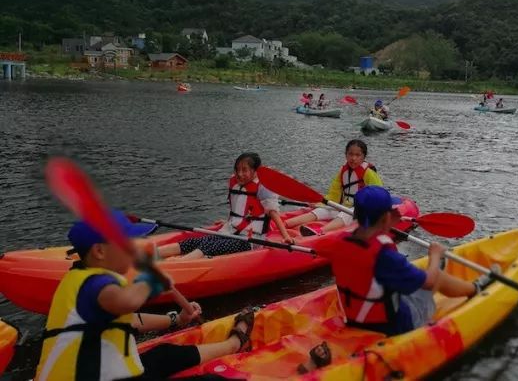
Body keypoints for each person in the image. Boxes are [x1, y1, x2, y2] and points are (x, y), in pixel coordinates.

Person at [35, 210, 255, 381]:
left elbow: (132, 320)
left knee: (163, 355)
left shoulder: (79, 280)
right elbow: (128, 301)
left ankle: (232, 346)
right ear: (100, 251)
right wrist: (150, 279)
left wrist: (176, 319)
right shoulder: (95, 285)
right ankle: (234, 345)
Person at [318, 186, 498, 338]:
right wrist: (435, 256)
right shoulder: (384, 255)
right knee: (436, 276)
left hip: (354, 319)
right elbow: (429, 283)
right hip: (394, 326)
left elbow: (364, 253)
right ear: (386, 218)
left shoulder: (340, 242)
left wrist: (386, 224)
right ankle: (476, 289)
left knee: (402, 275)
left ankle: (434, 270)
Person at [157, 152, 293, 260]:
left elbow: (273, 213)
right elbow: (238, 209)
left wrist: (285, 236)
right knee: (196, 241)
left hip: (251, 240)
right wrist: (229, 221)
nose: (240, 174)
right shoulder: (235, 183)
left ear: (255, 171)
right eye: (237, 169)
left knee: (210, 247)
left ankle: (179, 264)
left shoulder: (263, 188)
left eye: (244, 170)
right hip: (230, 231)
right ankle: (152, 254)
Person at [286, 140, 383, 236]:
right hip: (343, 206)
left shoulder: (369, 173)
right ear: (346, 155)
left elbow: (378, 195)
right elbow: (334, 194)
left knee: (345, 215)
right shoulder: (342, 171)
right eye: (350, 154)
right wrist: (320, 204)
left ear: (364, 157)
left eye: (358, 155)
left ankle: (320, 231)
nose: (353, 158)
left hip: (360, 211)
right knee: (322, 210)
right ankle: (285, 224)